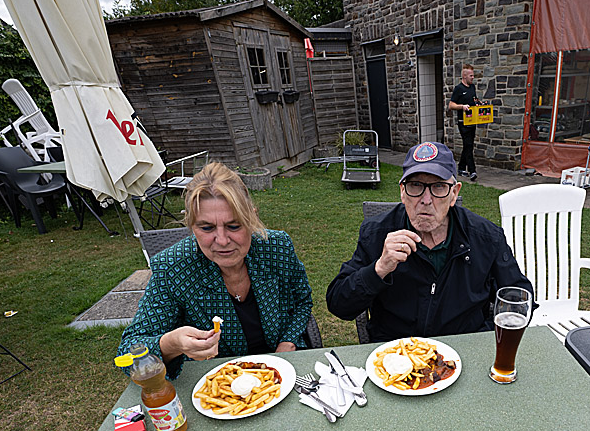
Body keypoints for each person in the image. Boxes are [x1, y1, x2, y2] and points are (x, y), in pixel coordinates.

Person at [118, 162, 313, 380]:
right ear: (192, 226)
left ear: (252, 218)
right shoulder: (172, 268)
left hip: (283, 373)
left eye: (234, 226)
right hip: (216, 387)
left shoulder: (277, 248)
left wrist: (289, 341)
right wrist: (170, 344)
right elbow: (128, 353)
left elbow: (302, 301)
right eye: (207, 228)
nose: (221, 240)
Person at [326, 141, 533, 342]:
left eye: (439, 187)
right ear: (402, 191)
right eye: (415, 186)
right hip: (396, 355)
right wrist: (379, 269)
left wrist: (481, 339)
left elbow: (520, 299)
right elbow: (339, 305)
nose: (426, 200)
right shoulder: (377, 233)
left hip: (463, 350)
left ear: (454, 193)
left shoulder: (486, 238)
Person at [448, 63, 480, 182]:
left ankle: (461, 168)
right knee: (468, 145)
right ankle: (472, 171)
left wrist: (478, 103)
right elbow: (451, 105)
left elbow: (474, 100)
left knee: (468, 145)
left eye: (473, 75)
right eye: (471, 75)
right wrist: (462, 107)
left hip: (473, 121)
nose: (473, 77)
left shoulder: (472, 87)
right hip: (463, 122)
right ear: (464, 76)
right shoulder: (458, 89)